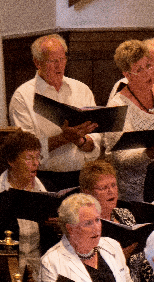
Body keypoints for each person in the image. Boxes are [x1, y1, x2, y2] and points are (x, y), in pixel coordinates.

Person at [9, 34, 100, 191]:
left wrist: (80, 140)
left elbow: (97, 138)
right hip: (43, 178)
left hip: (82, 176)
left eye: (62, 59)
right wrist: (63, 138)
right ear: (37, 63)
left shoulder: (81, 89)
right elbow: (26, 149)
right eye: (52, 61)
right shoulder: (23, 96)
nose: (60, 66)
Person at [106, 39, 154, 202]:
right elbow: (120, 158)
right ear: (127, 75)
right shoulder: (117, 106)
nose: (148, 73)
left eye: (149, 65)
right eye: (139, 70)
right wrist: (150, 153)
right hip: (137, 191)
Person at [79, 159, 153, 282]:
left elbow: (142, 260)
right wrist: (119, 258)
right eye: (104, 188)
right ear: (87, 192)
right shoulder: (84, 224)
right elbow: (88, 271)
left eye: (113, 185)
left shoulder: (124, 214)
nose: (111, 191)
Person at [0, 130, 53, 280]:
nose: (36, 163)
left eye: (38, 157)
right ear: (11, 161)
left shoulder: (47, 189)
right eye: (29, 158)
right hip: (6, 274)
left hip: (43, 272)